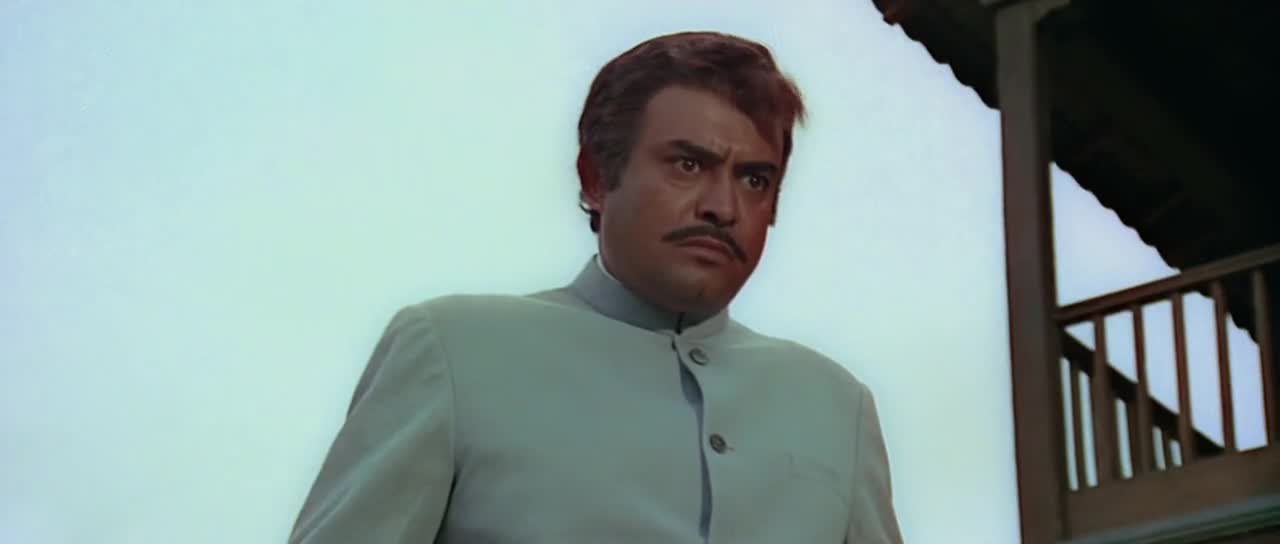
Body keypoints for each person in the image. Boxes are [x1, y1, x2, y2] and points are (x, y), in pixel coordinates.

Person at [287, 30, 902, 543]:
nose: (723, 206)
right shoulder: (456, 350)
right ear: (596, 178)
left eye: (755, 180)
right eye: (689, 164)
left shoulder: (836, 404)